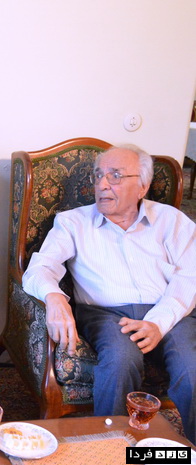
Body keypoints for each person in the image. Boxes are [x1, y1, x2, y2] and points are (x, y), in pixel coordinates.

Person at [23, 144, 196, 442]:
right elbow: (39, 268)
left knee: (192, 369)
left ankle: (189, 451)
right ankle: (109, 447)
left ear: (142, 186)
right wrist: (54, 297)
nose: (102, 184)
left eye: (115, 175)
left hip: (169, 309)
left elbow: (190, 276)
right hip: (105, 313)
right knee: (119, 361)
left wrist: (158, 322)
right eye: (98, 175)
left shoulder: (172, 221)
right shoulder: (73, 222)